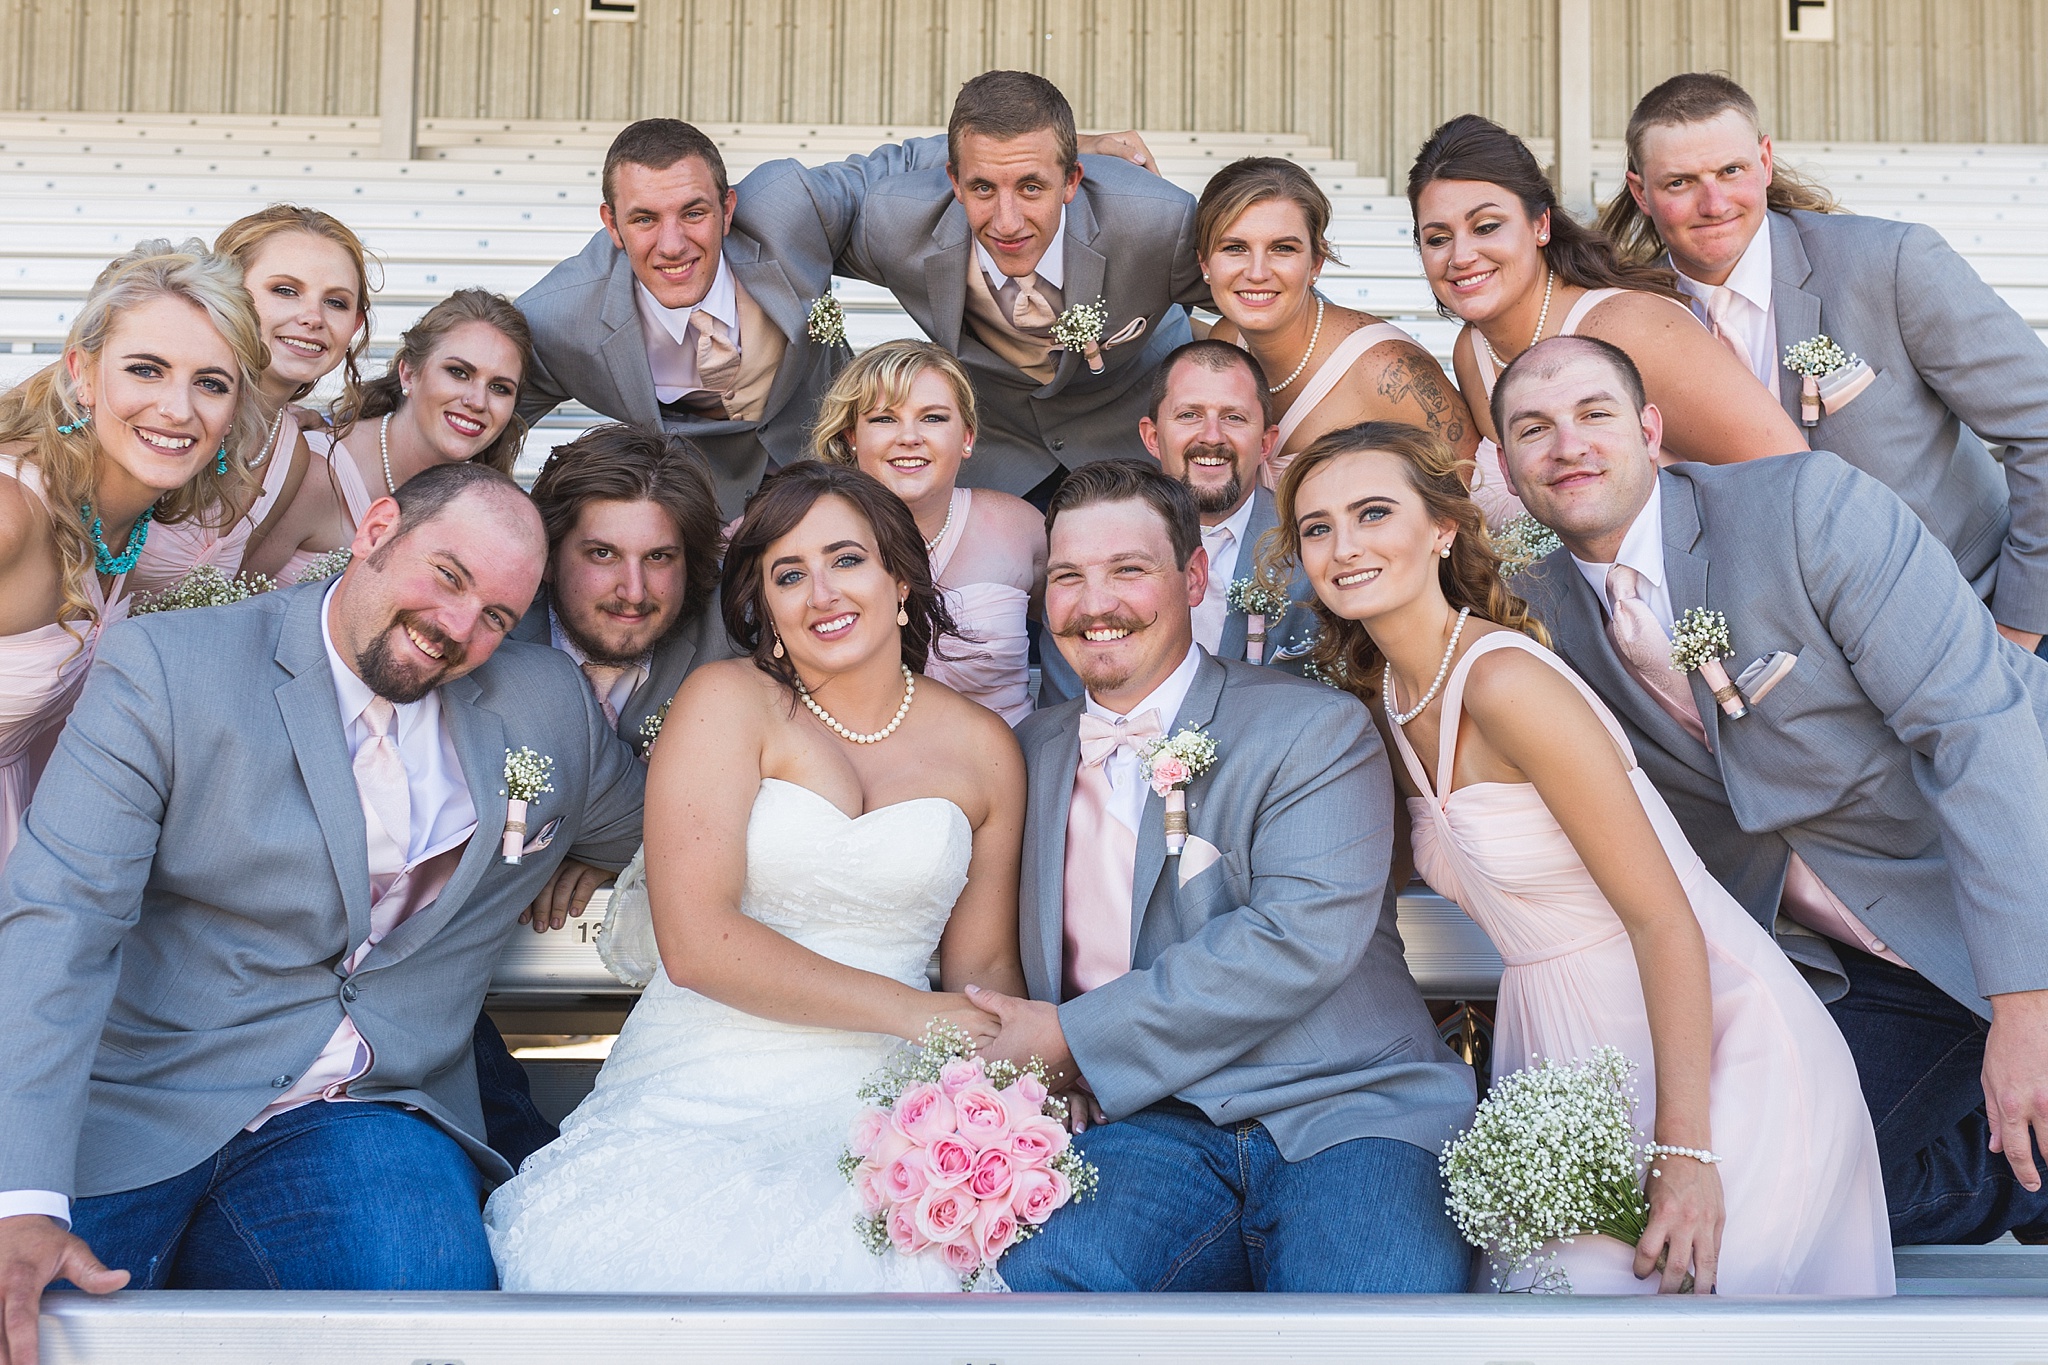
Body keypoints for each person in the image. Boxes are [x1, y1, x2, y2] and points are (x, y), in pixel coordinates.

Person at [0, 463, 646, 1351]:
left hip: (368, 1109)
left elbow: (660, 820)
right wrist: (20, 1197)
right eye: (448, 576)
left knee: (423, 1313)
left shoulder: (549, 707)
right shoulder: (169, 668)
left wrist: (582, 856)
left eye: (497, 615)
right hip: (140, 1103)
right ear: (376, 527)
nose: (457, 629)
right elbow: (58, 919)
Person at [1265, 419, 1891, 1294]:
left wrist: (1685, 1150)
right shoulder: (1390, 695)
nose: (1344, 546)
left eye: (1374, 512)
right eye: (1318, 527)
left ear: (1443, 529)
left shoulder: (1505, 682)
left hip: (1707, 1051)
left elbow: (1663, 913)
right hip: (1556, 1058)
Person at [1498, 334, 2048, 1248]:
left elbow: (1977, 732)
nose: (1569, 445)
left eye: (1595, 414)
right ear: (1510, 472)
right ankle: (2025, 1183)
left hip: (2005, 886)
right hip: (1857, 961)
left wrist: (2027, 1003)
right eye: (1534, 429)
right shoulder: (1534, 611)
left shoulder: (1808, 509)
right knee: (1734, 1200)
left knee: (1785, 1206)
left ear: (1650, 427)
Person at [485, 461, 1028, 1292]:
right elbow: (699, 944)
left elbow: (984, 971)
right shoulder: (725, 702)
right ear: (765, 606)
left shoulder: (986, 746)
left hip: (893, 1098)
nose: (822, 592)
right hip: (705, 1075)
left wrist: (1011, 1097)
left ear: (901, 576)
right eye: (788, 573)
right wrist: (919, 1015)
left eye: (846, 559)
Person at [971, 459, 1477, 1293]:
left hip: (1348, 1107)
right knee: (1044, 1282)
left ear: (1194, 575)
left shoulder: (1314, 727)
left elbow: (1297, 939)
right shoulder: (1023, 753)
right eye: (1068, 577)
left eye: (1128, 570)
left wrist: (1073, 1043)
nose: (1096, 604)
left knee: (1371, 1321)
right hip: (1147, 1123)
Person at [1599, 72, 2048, 655]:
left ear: (1764, 160)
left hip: (1977, 619)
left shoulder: (1889, 263)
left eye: (1731, 171)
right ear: (1640, 192)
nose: (1713, 204)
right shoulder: (1631, 323)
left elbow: (2040, 424)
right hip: (1808, 673)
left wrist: (2019, 630)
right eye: (1680, 182)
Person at [513, 119, 951, 518]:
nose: (672, 246)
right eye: (644, 219)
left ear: (727, 209)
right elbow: (482, 421)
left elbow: (900, 167)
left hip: (844, 476)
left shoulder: (787, 211)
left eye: (693, 213)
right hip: (705, 518)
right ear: (612, 224)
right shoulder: (563, 318)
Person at [809, 70, 1211, 504]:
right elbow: (785, 224)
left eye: (1031, 187)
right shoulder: (894, 223)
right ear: (954, 182)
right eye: (982, 187)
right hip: (997, 458)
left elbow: (1260, 302)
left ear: (1072, 180)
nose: (1007, 223)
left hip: (1132, 453)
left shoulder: (1157, 221)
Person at [0, 239, 268, 871]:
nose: (177, 409)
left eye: (210, 383)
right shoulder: (11, 514)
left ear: (233, 413)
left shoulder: (126, 520)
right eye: (145, 369)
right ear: (82, 376)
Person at [1407, 114, 1804, 497]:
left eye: (1486, 227)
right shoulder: (1472, 352)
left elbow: (1795, 479)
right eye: (1438, 238)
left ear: (1540, 225)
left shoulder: (1631, 328)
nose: (1460, 256)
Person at [1037, 340, 1319, 706]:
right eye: (1189, 415)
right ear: (1152, 437)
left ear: (1266, 443)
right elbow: (1069, 710)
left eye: (1233, 417)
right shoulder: (1081, 549)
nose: (1212, 436)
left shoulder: (1311, 550)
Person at [1196, 157, 1483, 499]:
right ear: (1205, 263)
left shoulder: (1387, 368)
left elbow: (1472, 502)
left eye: (1283, 248)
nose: (1257, 272)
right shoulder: (1227, 340)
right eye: (1235, 248)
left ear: (1315, 262)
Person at [129, 206, 373, 597]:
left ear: (354, 326)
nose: (312, 317)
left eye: (337, 302)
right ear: (229, 289)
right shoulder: (143, 400)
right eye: (285, 290)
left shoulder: (290, 454)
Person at [812, 339, 1044, 723]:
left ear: (967, 437)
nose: (909, 437)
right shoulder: (805, 534)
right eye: (884, 419)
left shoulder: (1021, 528)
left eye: (933, 418)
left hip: (1011, 769)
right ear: (852, 436)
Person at [245, 289, 532, 585]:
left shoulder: (481, 503)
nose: (478, 401)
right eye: (458, 372)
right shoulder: (318, 472)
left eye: (500, 388)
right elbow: (228, 606)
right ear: (408, 374)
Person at [515, 421, 732, 748]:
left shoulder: (731, 640)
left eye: (658, 557)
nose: (634, 592)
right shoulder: (493, 639)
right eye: (603, 554)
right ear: (548, 557)